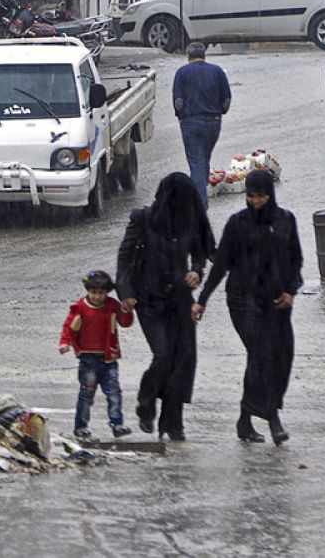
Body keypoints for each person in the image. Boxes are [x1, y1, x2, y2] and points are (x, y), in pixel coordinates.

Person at [193, 169, 303, 445]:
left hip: (276, 302)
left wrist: (291, 290)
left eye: (261, 196)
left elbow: (295, 260)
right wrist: (202, 300)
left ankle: (245, 419)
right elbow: (221, 266)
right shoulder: (237, 224)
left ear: (270, 194)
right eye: (251, 196)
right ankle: (273, 419)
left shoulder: (285, 221)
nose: (255, 201)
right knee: (261, 355)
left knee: (281, 356)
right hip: (244, 300)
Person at [117, 172, 214, 442]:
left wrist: (196, 271)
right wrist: (125, 292)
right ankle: (146, 399)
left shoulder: (188, 221)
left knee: (182, 361)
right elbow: (124, 257)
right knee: (163, 355)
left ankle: (173, 423)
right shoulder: (143, 219)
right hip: (148, 300)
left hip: (179, 299)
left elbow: (200, 252)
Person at [58, 269, 135, 440]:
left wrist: (126, 309)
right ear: (88, 291)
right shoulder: (80, 307)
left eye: (101, 293)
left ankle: (117, 423)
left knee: (114, 392)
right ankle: (81, 426)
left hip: (109, 358)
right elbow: (69, 327)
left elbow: (125, 322)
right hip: (88, 358)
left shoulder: (112, 306)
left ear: (106, 293)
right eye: (93, 292)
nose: (97, 296)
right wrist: (65, 343)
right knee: (86, 393)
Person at [173, 41, 231, 207]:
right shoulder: (217, 71)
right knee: (203, 160)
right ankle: (195, 199)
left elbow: (178, 102)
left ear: (188, 56)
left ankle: (200, 206)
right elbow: (226, 100)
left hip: (191, 122)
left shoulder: (182, 73)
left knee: (197, 163)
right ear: (204, 55)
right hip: (214, 123)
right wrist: (219, 112)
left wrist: (181, 117)